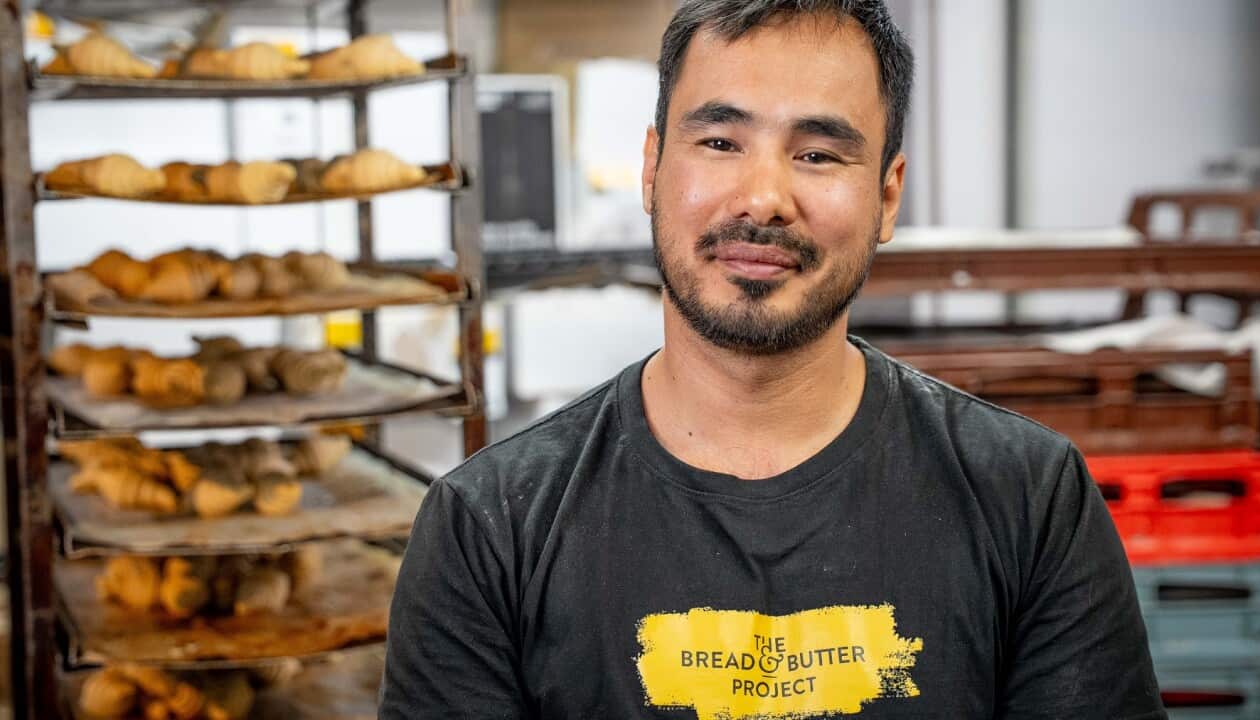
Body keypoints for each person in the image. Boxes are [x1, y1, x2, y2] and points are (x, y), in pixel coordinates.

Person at [380, 1, 1165, 718]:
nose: (763, 199)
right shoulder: (489, 527)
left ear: (888, 196)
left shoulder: (1029, 500)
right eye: (720, 141)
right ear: (652, 169)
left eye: (819, 154)